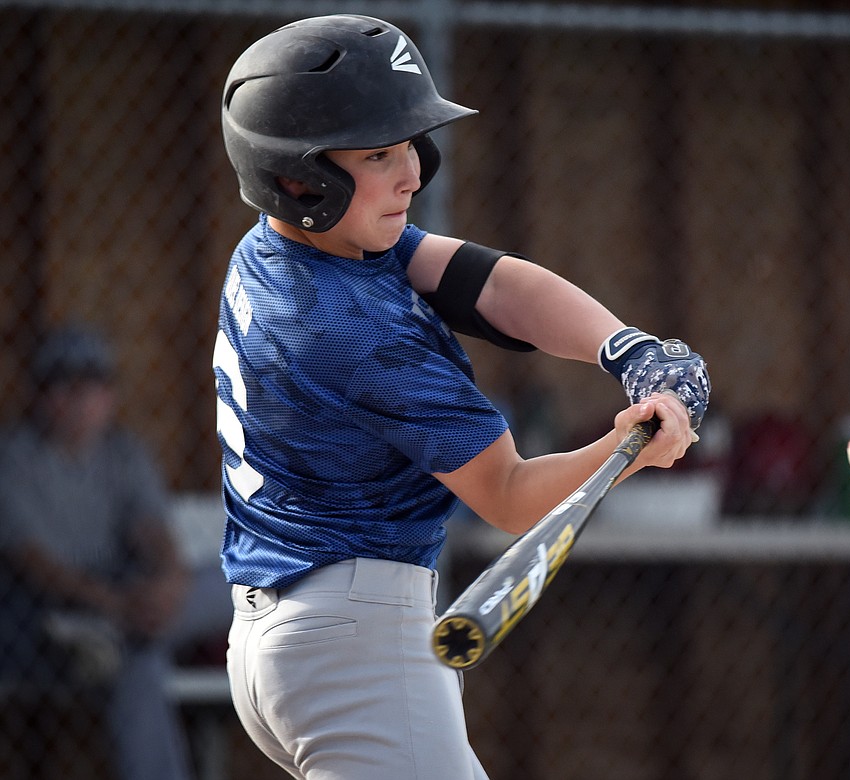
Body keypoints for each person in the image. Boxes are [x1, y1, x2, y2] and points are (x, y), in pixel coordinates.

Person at [215, 14, 711, 780]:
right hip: (358, 651)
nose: (411, 172)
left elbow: (487, 284)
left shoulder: (289, 243)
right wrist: (636, 445)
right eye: (379, 154)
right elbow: (510, 498)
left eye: (408, 144)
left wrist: (629, 350)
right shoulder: (355, 333)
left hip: (292, 641)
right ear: (298, 177)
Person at [0, 325, 196, 780]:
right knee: (139, 662)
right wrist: (117, 606)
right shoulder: (13, 458)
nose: (81, 400)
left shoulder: (123, 452)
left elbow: (153, 533)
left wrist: (171, 582)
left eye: (93, 385)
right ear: (42, 396)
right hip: (49, 617)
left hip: (133, 607)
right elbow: (34, 565)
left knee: (234, 581)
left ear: (109, 395)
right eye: (65, 386)